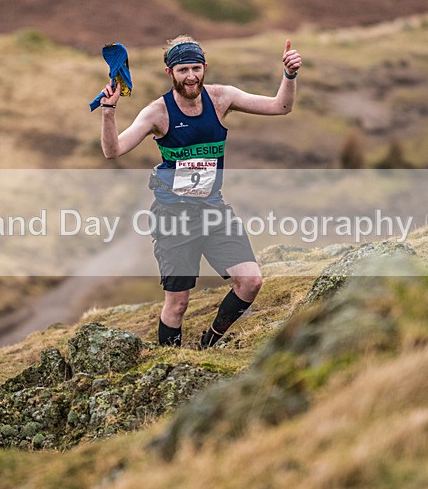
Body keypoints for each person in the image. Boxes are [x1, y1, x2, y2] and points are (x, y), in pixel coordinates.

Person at [98, 35, 302, 349]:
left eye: (196, 68)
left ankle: (210, 342)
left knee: (251, 282)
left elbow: (281, 106)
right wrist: (108, 114)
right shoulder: (157, 113)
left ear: (204, 67)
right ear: (170, 73)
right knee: (177, 304)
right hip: (173, 217)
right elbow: (114, 150)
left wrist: (289, 75)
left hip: (213, 210)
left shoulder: (222, 98)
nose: (191, 76)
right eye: (183, 70)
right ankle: (171, 358)